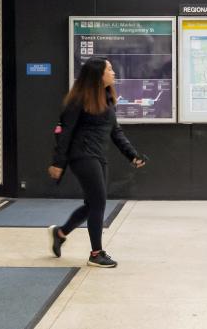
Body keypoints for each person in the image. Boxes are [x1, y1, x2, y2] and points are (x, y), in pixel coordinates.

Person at [47, 56, 146, 268]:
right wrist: (58, 163)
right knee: (99, 202)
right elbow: (64, 134)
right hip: (82, 156)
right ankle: (96, 253)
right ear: (97, 75)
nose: (113, 73)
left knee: (93, 203)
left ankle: (60, 232)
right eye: (109, 69)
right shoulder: (78, 101)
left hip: (99, 156)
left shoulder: (107, 100)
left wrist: (132, 155)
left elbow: (115, 132)